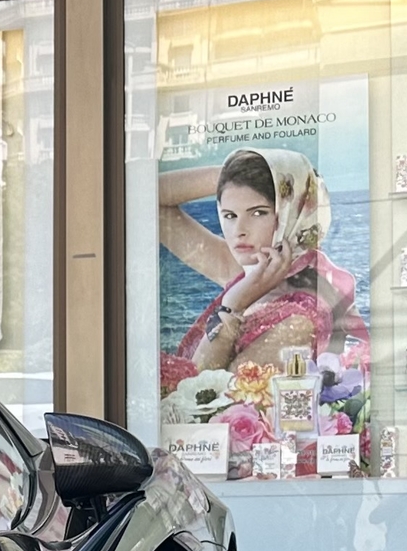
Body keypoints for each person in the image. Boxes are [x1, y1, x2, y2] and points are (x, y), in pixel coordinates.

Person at [157, 148, 370, 462]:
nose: (239, 230)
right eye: (229, 215)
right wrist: (234, 174)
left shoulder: (302, 317)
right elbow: (149, 200)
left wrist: (234, 303)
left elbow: (204, 403)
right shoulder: (253, 273)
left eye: (257, 212)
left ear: (289, 211)